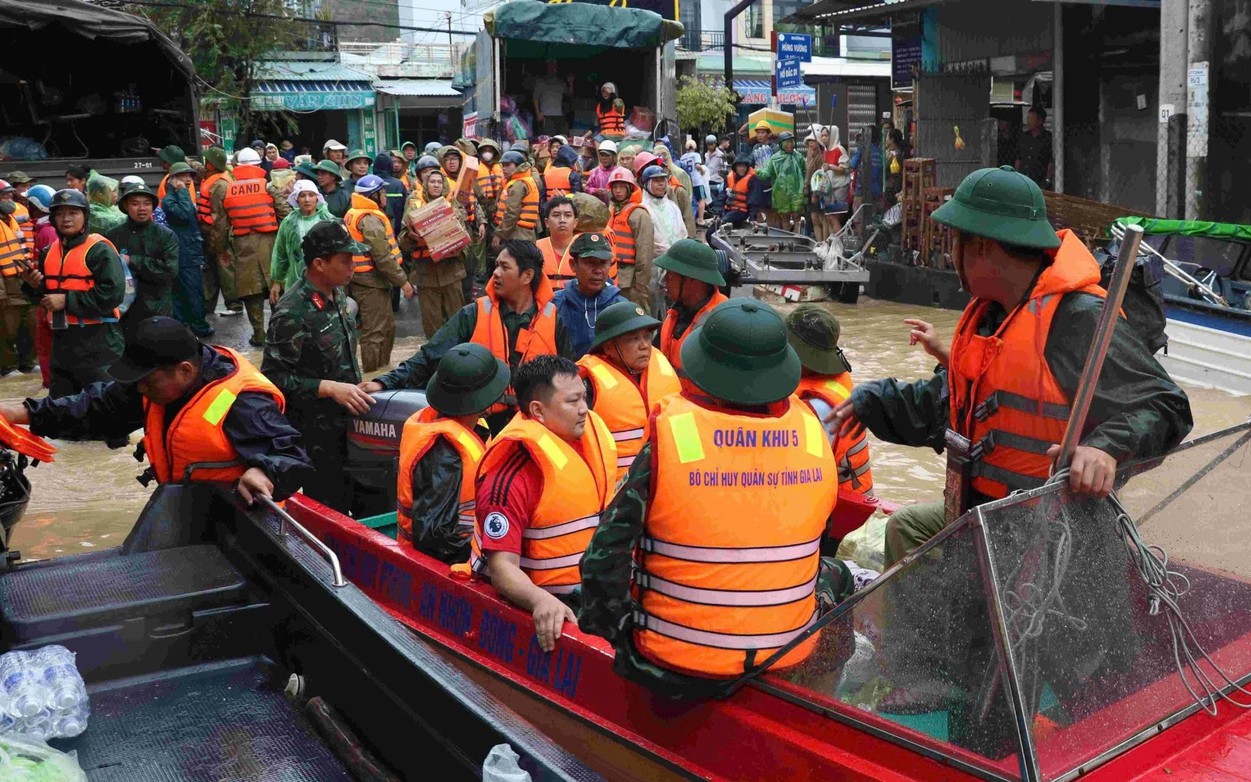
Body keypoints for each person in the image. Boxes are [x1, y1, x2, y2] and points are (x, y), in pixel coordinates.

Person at [829, 165, 1193, 574]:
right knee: (909, 528)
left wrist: (1106, 448)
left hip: (1056, 535)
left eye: (955, 241)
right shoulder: (991, 315)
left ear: (982, 246)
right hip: (986, 514)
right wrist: (871, 401)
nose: (950, 255)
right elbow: (947, 404)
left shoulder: (1077, 318)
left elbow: (1167, 406)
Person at [579, 298, 847, 691]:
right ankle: (820, 696)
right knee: (838, 573)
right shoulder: (812, 431)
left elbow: (603, 559)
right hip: (785, 652)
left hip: (673, 664)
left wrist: (613, 632)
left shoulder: (674, 436)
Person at [0, 315, 310, 504]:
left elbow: (290, 454)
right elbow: (95, 409)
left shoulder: (243, 403)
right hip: (186, 509)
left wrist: (265, 471)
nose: (138, 391)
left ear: (185, 370)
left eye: (146, 382)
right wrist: (19, 413)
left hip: (242, 521)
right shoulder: (156, 383)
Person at [470, 354, 617, 652]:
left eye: (584, 398)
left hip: (592, 595)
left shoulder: (589, 441)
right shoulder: (512, 474)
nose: (584, 410)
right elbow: (502, 568)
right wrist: (540, 600)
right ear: (537, 410)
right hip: (549, 603)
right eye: (572, 401)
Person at [361, 240, 572, 434]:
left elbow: (568, 378)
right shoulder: (473, 314)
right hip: (482, 425)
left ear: (527, 276)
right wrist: (384, 382)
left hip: (535, 426)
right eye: (496, 265)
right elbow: (428, 357)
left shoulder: (553, 320)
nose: (495, 273)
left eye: (504, 267)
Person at [263, 220, 374, 514]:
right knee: (329, 513)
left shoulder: (337, 294)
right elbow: (271, 381)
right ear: (319, 264)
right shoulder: (291, 312)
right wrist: (326, 388)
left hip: (351, 424)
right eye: (346, 260)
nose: (353, 265)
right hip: (317, 437)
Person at [396, 342, 506, 562]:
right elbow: (435, 537)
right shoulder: (444, 452)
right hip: (448, 569)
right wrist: (493, 550)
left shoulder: (469, 424)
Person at [21, 189, 125, 398]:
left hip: (99, 341)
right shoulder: (48, 252)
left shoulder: (99, 250)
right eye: (59, 214)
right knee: (63, 407)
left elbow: (112, 295)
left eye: (73, 213)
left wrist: (66, 301)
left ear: (85, 216)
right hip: (62, 341)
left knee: (104, 407)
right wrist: (33, 286)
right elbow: (45, 298)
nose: (66, 219)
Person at [576, 301, 679, 483]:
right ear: (608, 347)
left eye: (647, 336)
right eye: (633, 338)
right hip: (615, 493)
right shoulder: (586, 383)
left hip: (667, 481)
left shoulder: (661, 363)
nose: (644, 345)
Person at [785, 305, 874, 497]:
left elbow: (799, 474)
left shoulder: (817, 407)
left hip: (841, 507)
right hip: (852, 495)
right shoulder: (832, 382)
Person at [345, 175, 414, 372]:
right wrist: (404, 282)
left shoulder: (356, 212)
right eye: (382, 192)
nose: (385, 196)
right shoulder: (369, 219)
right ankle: (374, 376)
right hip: (369, 282)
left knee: (386, 328)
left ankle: (382, 370)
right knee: (375, 332)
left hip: (371, 280)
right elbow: (382, 257)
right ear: (373, 195)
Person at [214, 147, 278, 347]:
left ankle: (259, 334)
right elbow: (285, 212)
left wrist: (221, 249)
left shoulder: (228, 189)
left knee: (251, 292)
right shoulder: (269, 187)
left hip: (243, 245)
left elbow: (221, 225)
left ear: (236, 167)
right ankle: (278, 334)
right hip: (271, 243)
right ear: (259, 166)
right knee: (277, 289)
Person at [399, 170, 468, 339]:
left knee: (456, 318)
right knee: (431, 322)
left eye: (439, 182)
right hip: (425, 273)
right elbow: (402, 240)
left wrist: (458, 247)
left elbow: (466, 237)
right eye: (432, 182)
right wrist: (410, 236)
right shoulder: (414, 205)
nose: (436, 185)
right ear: (425, 184)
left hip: (451, 270)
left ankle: (457, 353)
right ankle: (434, 358)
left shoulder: (453, 203)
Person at [655, 239, 727, 390]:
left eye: (671, 275)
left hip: (699, 411)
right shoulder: (676, 312)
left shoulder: (722, 322)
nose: (665, 280)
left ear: (693, 280)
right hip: (670, 404)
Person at [108, 181, 178, 328]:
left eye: (146, 204)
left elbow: (170, 270)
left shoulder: (165, 235)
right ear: (126, 206)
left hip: (157, 308)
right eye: (135, 204)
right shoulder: (113, 236)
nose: (142, 209)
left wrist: (132, 261)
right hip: (124, 310)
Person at [160, 163, 213, 338]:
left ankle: (187, 324)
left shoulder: (178, 197)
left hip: (189, 250)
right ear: (173, 179)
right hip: (184, 253)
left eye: (190, 175)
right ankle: (199, 325)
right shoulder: (170, 200)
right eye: (184, 176)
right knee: (192, 290)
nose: (189, 179)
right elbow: (185, 214)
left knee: (186, 290)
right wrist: (182, 191)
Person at [552, 232, 626, 357]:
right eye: (590, 263)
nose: (598, 271)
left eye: (603, 263)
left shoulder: (622, 307)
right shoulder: (555, 304)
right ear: (573, 265)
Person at [270, 180, 333, 304]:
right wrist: (277, 281)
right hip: (295, 283)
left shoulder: (328, 221)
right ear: (296, 199)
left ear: (317, 198)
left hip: (325, 282)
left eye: (311, 195)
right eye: (302, 195)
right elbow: (280, 253)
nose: (307, 199)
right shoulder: (289, 222)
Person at [196, 146, 240, 318]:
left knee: (225, 269)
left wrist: (218, 244)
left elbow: (219, 218)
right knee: (210, 271)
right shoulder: (212, 177)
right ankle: (208, 305)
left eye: (207, 160)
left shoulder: (219, 184)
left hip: (218, 236)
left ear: (213, 164)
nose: (205, 162)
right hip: (210, 234)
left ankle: (234, 305)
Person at [606, 169, 654, 311]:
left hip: (632, 278)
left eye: (622, 187)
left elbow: (644, 249)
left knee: (639, 314)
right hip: (614, 274)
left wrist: (641, 280)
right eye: (615, 187)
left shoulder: (639, 214)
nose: (618, 191)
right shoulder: (613, 210)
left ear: (630, 189)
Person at [0, 191, 35, 376]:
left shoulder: (12, 219)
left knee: (29, 322)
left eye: (9, 196)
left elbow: (22, 248)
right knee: (6, 327)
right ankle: (8, 367)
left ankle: (27, 362)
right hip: (4, 282)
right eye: (3, 197)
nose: (8, 200)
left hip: (21, 278)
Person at [755, 131, 806, 230]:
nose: (790, 145)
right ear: (781, 144)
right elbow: (766, 173)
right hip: (781, 193)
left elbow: (805, 171)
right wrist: (757, 171)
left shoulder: (798, 156)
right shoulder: (775, 159)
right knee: (785, 217)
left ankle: (797, 238)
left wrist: (805, 186)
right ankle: (788, 240)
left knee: (797, 216)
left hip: (797, 191)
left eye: (791, 141)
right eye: (787, 142)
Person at [638, 165, 687, 259]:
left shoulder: (673, 206)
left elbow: (683, 232)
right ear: (646, 184)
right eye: (656, 181)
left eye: (663, 180)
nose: (661, 184)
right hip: (656, 262)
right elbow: (652, 243)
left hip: (677, 259)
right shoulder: (643, 209)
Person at [492, 151, 540, 244]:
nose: (504, 169)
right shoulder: (526, 179)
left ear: (518, 166)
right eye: (503, 165)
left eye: (508, 165)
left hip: (518, 234)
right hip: (525, 233)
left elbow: (512, 213)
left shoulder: (519, 184)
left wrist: (499, 234)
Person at [536, 196, 578, 284]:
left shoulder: (584, 249)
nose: (562, 220)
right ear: (546, 223)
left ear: (575, 222)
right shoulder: (535, 249)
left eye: (567, 215)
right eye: (556, 215)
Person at [1015, 106, 1054, 190]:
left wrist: (1047, 179)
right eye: (1028, 118)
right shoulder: (1024, 137)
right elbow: (1019, 158)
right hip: (1024, 177)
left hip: (1040, 179)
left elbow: (1050, 161)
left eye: (1031, 118)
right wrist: (1016, 175)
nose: (1028, 121)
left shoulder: (1048, 138)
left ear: (1040, 121)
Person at [372, 152, 408, 236]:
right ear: (390, 166)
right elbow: (405, 207)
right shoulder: (398, 184)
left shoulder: (370, 183)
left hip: (374, 230)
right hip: (396, 231)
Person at [532, 59, 571, 137]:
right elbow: (535, 98)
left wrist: (571, 83)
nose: (552, 68)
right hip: (545, 115)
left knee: (560, 139)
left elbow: (569, 95)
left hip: (559, 115)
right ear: (546, 68)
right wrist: (538, 113)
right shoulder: (540, 82)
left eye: (554, 66)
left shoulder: (561, 82)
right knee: (547, 139)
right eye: (550, 66)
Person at [679, 140, 708, 227]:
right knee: (701, 199)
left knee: (691, 200)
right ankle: (701, 219)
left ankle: (690, 219)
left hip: (687, 181)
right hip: (697, 180)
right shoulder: (696, 155)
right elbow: (697, 166)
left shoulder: (682, 157)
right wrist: (702, 171)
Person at [583, 141, 621, 206]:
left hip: (616, 206)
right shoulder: (595, 172)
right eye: (602, 155)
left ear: (614, 157)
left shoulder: (619, 172)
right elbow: (586, 188)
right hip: (598, 208)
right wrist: (595, 191)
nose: (604, 158)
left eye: (607, 155)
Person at [705, 136, 728, 202]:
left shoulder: (720, 154)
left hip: (717, 181)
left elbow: (725, 166)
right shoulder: (706, 155)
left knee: (717, 201)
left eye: (712, 144)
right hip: (708, 181)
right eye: (708, 145)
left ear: (715, 144)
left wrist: (724, 159)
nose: (710, 146)